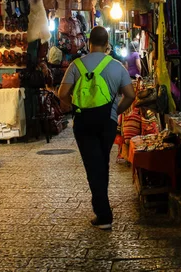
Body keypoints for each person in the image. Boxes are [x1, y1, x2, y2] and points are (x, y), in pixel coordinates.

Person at [58, 26, 135, 230]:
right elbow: (130, 95)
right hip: (107, 122)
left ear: (89, 43)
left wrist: (74, 105)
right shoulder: (117, 67)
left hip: (83, 122)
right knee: (101, 163)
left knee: (94, 166)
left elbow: (62, 93)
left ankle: (103, 214)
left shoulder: (76, 65)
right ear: (107, 43)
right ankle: (102, 210)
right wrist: (115, 112)